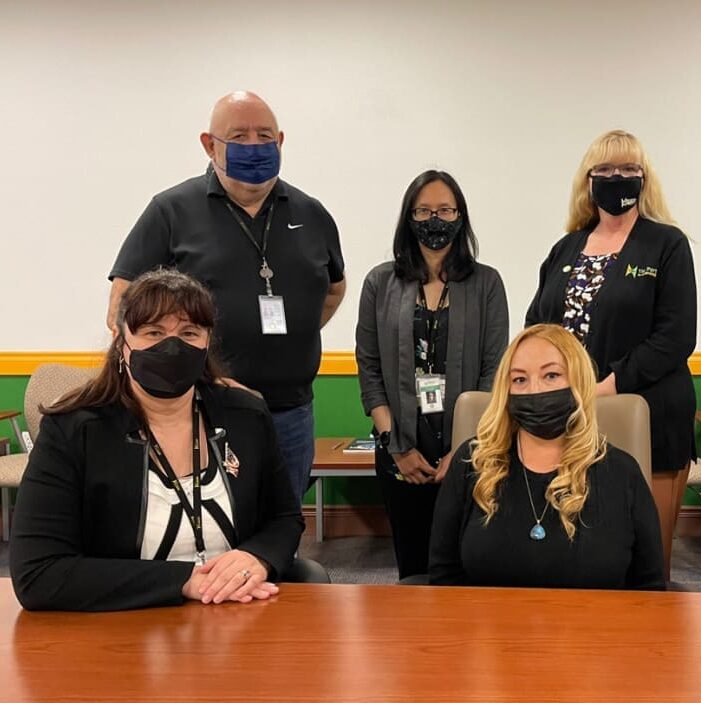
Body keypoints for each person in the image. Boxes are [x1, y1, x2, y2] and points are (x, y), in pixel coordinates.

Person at [11, 270, 305, 611]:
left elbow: (284, 517)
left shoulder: (247, 415)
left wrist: (259, 557)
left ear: (207, 342)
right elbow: (38, 572)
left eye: (189, 332)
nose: (172, 346)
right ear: (122, 344)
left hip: (239, 611)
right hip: (122, 627)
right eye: (154, 332)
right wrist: (183, 581)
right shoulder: (73, 431)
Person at [106, 91, 346, 501]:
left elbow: (333, 290)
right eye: (239, 135)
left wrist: (286, 336)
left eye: (264, 134)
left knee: (282, 527)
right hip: (201, 410)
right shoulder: (170, 211)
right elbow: (121, 310)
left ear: (281, 140)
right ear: (209, 144)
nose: (254, 145)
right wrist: (202, 367)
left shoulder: (312, 213)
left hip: (291, 412)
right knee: (212, 531)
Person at [526, 129, 696, 570]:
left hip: (648, 410)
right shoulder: (566, 247)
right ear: (588, 181)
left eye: (627, 169)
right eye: (603, 169)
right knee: (577, 549)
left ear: (644, 179)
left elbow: (675, 336)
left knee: (646, 554)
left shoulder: (666, 244)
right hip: (566, 418)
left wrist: (606, 385)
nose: (615, 177)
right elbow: (537, 326)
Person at [429, 324, 665, 590]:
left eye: (551, 375)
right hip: (489, 629)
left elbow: (650, 588)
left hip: (595, 629)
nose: (535, 390)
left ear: (579, 382)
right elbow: (443, 575)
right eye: (519, 380)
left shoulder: (622, 473)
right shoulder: (472, 463)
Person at [355, 170, 508, 580]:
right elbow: (369, 368)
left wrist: (462, 448)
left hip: (468, 449)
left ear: (460, 216)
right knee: (413, 565)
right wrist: (395, 446)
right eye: (423, 211)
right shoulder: (379, 282)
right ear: (408, 217)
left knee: (468, 563)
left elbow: (494, 371)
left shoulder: (487, 283)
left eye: (444, 209)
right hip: (400, 448)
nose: (434, 219)